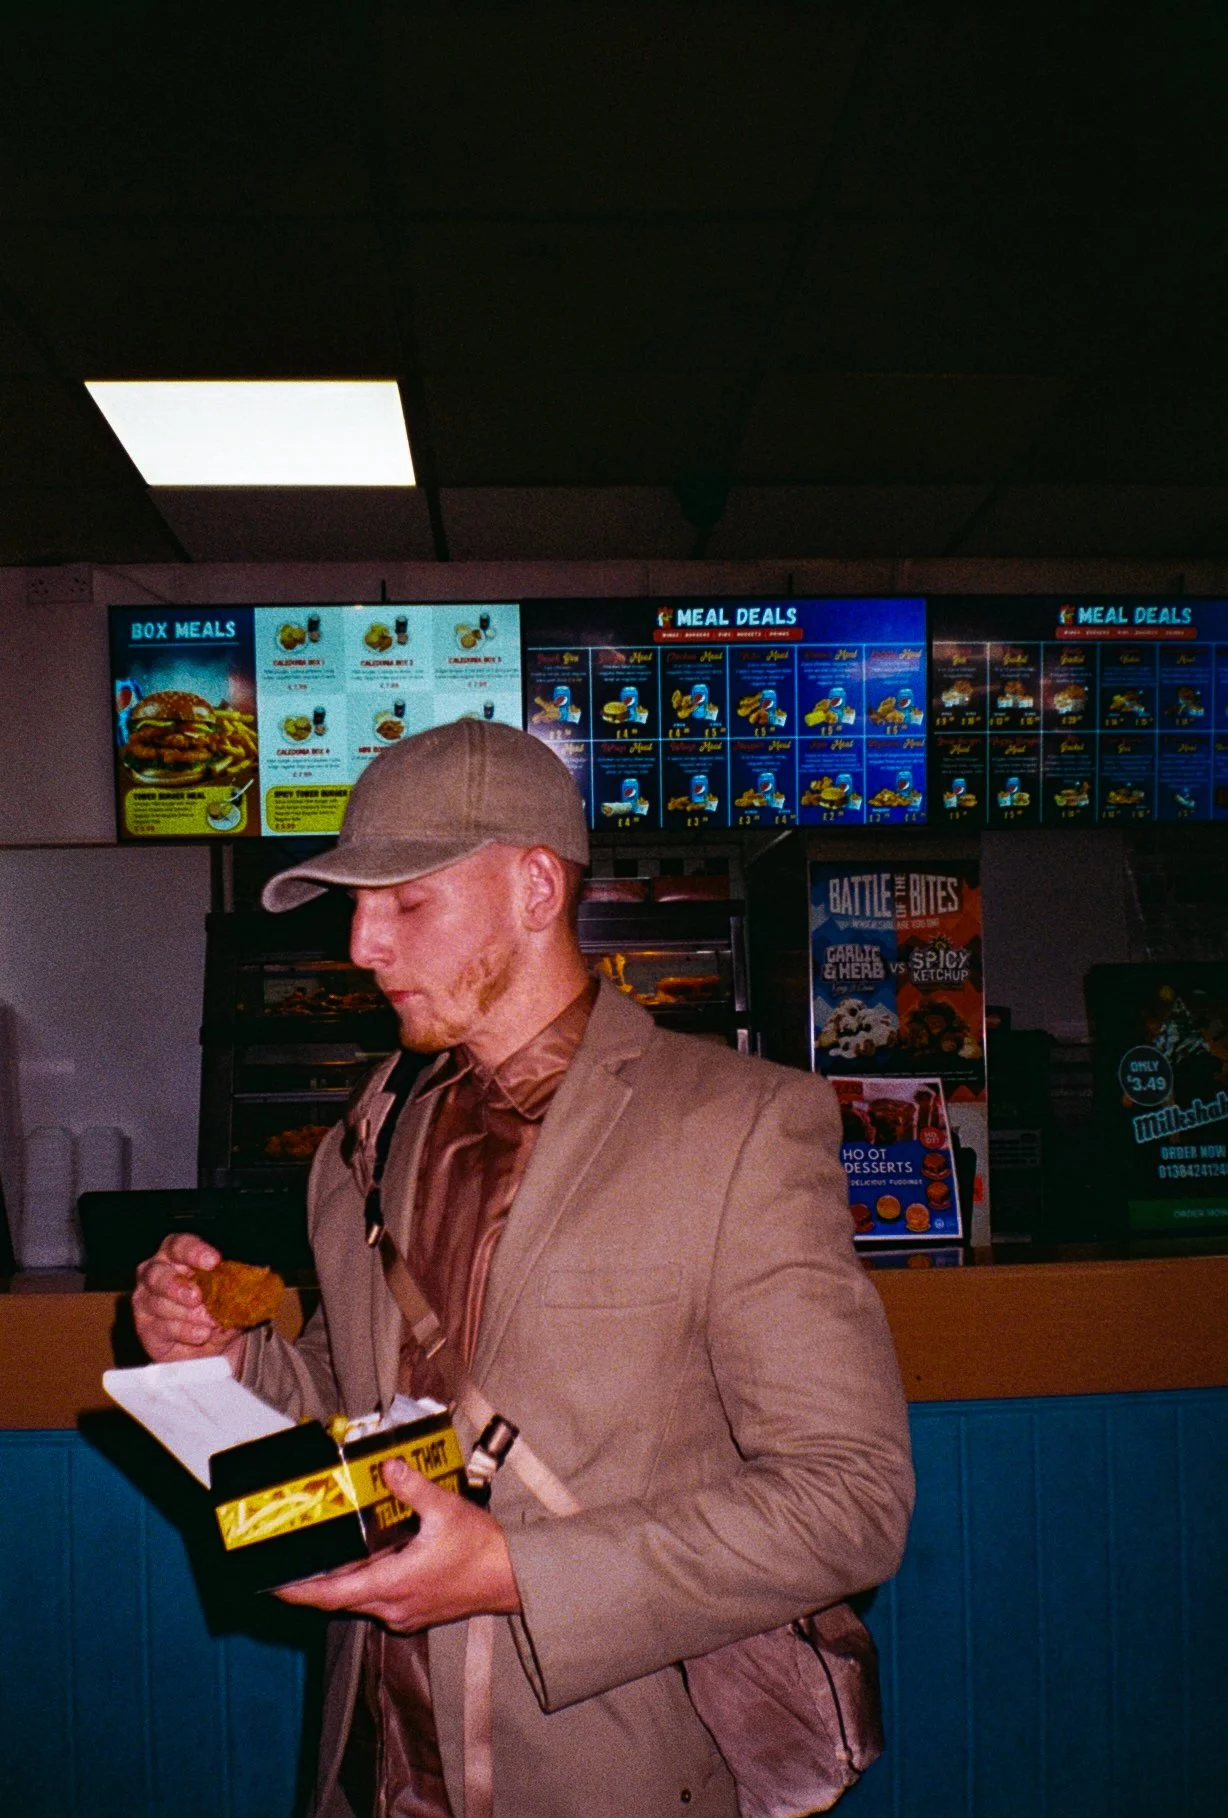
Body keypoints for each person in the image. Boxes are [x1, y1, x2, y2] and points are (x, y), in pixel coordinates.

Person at [133, 718, 914, 1818]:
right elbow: (351, 1408)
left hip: (604, 1772)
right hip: (370, 1765)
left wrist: (516, 1574)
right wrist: (233, 1356)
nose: (361, 945)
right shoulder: (365, 1136)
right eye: (356, 906)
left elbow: (851, 1502)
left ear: (536, 887)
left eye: (406, 901)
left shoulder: (736, 1127)